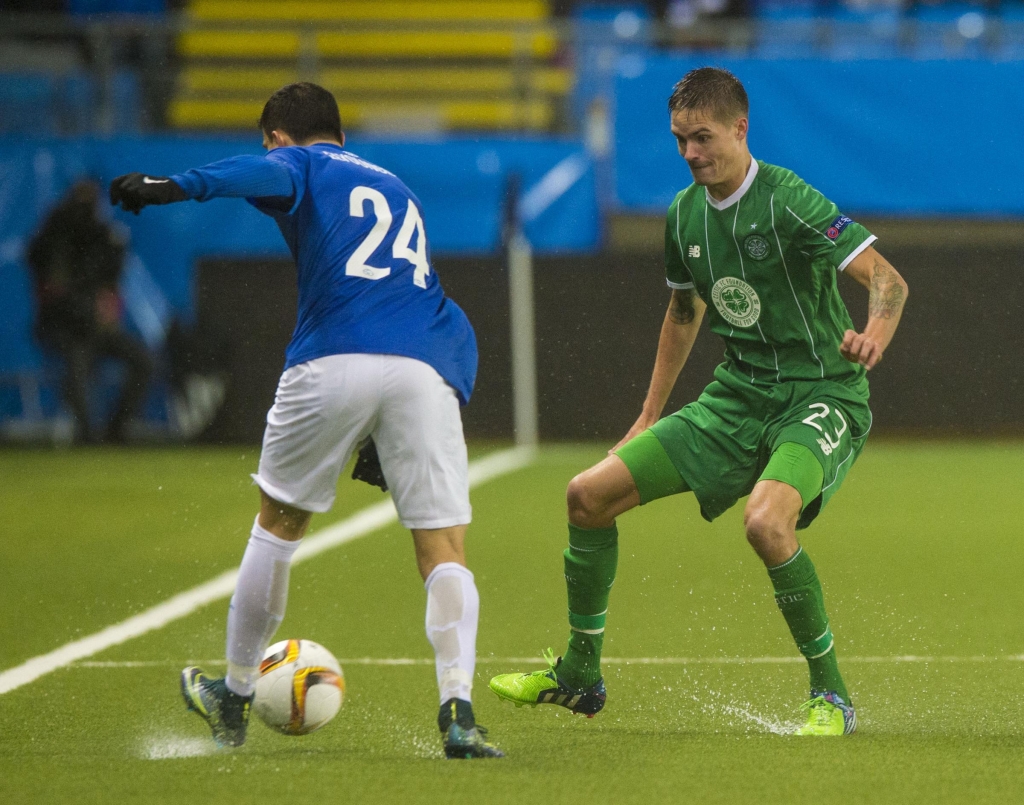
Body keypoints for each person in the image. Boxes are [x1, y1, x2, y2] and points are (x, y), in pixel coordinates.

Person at [489, 67, 908, 736]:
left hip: (821, 394)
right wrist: (648, 414)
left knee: (768, 522)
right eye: (681, 139)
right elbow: (683, 312)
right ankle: (580, 673)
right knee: (586, 496)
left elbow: (887, 282)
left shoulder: (787, 198)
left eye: (703, 137)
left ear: (740, 130)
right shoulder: (683, 214)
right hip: (736, 396)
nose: (690, 153)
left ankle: (832, 696)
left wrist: (874, 336)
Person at [109, 82, 503, 759]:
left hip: (332, 355)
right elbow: (450, 316)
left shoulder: (302, 162)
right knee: (444, 547)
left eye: (270, 141)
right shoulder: (398, 188)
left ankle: (232, 693)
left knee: (280, 522)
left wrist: (174, 185)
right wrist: (442, 395)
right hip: (425, 367)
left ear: (282, 136)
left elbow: (259, 173)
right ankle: (459, 711)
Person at [28, 179, 152, 443]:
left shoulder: (104, 238)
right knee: (78, 363)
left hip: (97, 327)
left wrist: (103, 308)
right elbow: (52, 288)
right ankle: (87, 436)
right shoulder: (54, 239)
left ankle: (115, 430)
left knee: (144, 361)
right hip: (63, 328)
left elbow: (111, 284)